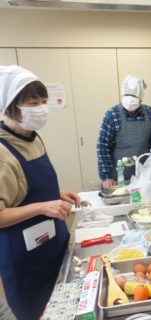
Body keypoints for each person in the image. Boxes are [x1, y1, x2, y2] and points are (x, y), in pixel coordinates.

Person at [0, 65, 80, 320]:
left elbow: (28, 189)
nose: (41, 108)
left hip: (51, 241)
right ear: (9, 105)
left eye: (44, 101)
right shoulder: (2, 152)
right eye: (33, 102)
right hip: (24, 257)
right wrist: (43, 207)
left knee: (60, 305)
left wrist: (58, 196)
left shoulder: (32, 137)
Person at [97, 75, 151, 189]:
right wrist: (107, 177)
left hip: (145, 177)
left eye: (133, 95)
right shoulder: (112, 115)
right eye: (127, 95)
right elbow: (102, 147)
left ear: (141, 97)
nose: (130, 98)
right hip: (118, 178)